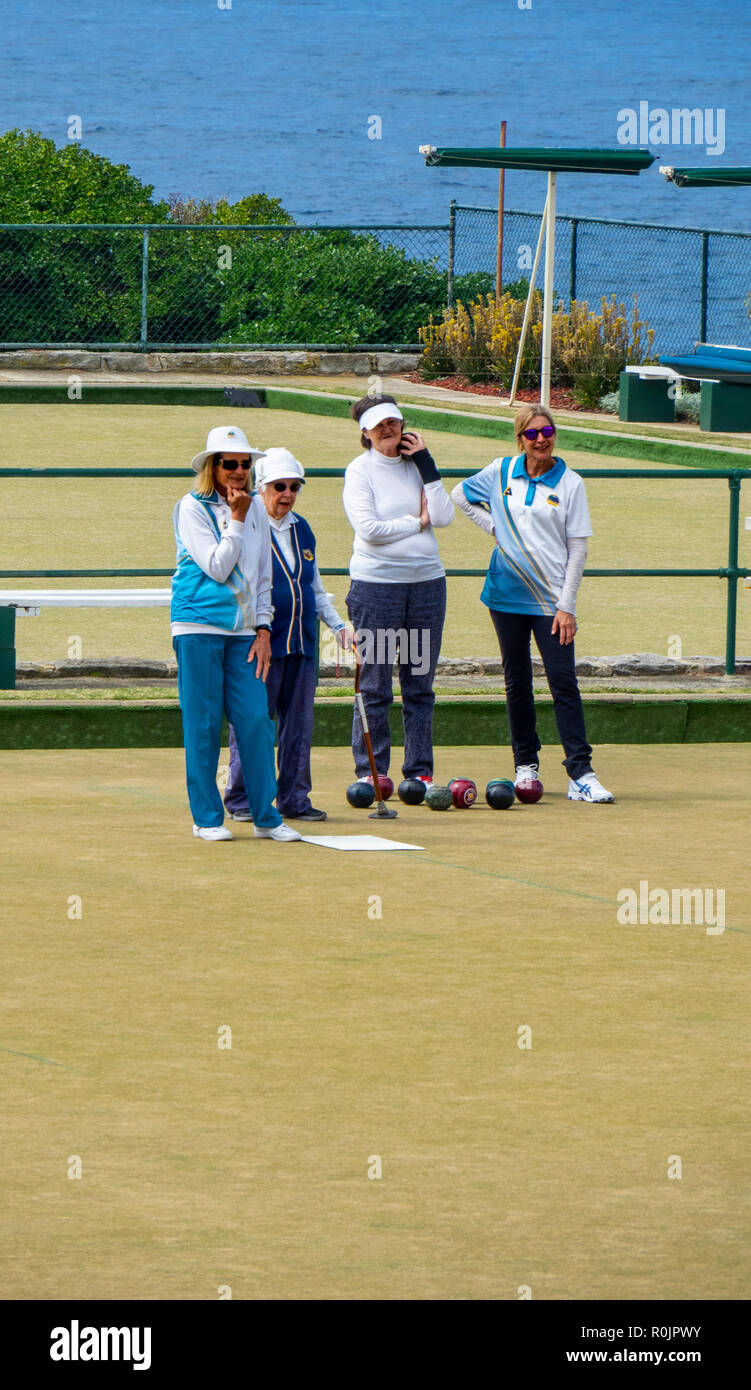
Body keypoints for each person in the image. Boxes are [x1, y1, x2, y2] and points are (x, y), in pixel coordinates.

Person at [451, 403, 614, 803]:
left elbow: (577, 549)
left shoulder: (570, 483)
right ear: (520, 437)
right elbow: (459, 494)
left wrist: (567, 605)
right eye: (532, 433)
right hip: (504, 595)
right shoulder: (502, 470)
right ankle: (525, 765)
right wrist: (495, 528)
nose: (541, 439)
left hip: (551, 601)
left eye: (547, 431)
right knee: (517, 682)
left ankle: (581, 773)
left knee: (563, 683)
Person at [170, 424, 302, 841]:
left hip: (244, 632)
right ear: (213, 466)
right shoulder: (191, 508)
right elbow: (217, 565)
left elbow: (262, 573)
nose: (240, 471)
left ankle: (267, 817)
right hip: (197, 626)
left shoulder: (256, 509)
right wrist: (239, 519)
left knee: (256, 722)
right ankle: (207, 819)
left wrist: (263, 627)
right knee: (204, 724)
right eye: (231, 463)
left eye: (246, 464)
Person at [224, 446, 352, 823]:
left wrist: (339, 625)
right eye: (280, 486)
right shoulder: (245, 526)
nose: (288, 494)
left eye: (295, 486)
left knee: (299, 725)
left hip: (302, 642)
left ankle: (295, 799)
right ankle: (241, 798)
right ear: (261, 487)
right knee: (253, 721)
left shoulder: (302, 528)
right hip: (259, 643)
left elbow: (312, 586)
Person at [342, 394, 454, 787]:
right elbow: (369, 531)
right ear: (366, 433)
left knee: (419, 681)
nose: (389, 429)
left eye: (394, 421)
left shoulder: (419, 466)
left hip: (425, 587)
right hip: (377, 588)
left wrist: (427, 465)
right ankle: (373, 771)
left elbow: (442, 516)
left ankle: (419, 771)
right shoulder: (360, 471)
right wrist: (415, 522)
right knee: (375, 683)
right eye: (379, 425)